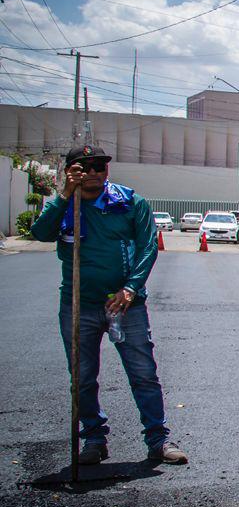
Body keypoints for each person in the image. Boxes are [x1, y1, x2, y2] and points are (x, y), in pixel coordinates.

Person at [31, 144, 186, 465]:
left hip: (126, 304)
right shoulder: (64, 204)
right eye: (83, 168)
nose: (92, 173)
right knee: (83, 376)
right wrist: (64, 195)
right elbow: (41, 233)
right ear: (69, 171)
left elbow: (148, 248)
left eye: (99, 167)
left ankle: (158, 439)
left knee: (143, 373)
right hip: (78, 303)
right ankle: (94, 438)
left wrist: (131, 288)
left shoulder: (129, 203)